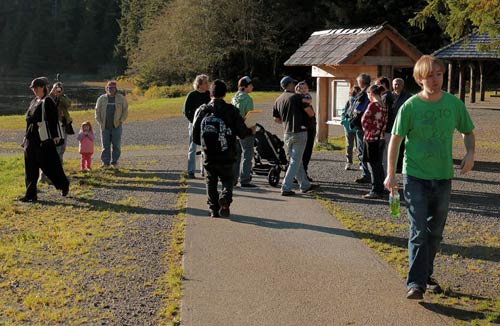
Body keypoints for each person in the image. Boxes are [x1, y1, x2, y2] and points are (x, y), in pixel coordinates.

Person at [384, 55, 475, 300]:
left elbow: (467, 130)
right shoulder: (410, 107)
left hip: (443, 177)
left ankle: (425, 274)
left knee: (435, 232)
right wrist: (391, 174)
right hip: (415, 176)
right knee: (418, 231)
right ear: (419, 78)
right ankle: (415, 284)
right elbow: (395, 140)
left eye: (439, 75)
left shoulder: (454, 104)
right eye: (429, 76)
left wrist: (470, 152)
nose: (435, 80)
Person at [192, 79, 255, 217]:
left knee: (211, 180)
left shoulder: (202, 110)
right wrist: (251, 130)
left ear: (210, 94)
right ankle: (225, 198)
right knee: (227, 179)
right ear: (225, 94)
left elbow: (195, 137)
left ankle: (213, 209)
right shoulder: (231, 110)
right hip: (227, 152)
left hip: (209, 153)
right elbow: (242, 132)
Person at [18, 77, 69, 202]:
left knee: (51, 166)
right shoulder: (34, 101)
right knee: (30, 168)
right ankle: (30, 194)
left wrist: (55, 136)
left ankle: (64, 185)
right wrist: (25, 137)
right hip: (31, 138)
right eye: (33, 88)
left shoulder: (48, 101)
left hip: (43, 139)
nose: (34, 90)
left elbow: (52, 120)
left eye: (36, 88)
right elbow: (28, 121)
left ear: (43, 87)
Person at [272, 76, 317, 196]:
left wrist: (287, 121)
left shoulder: (278, 99)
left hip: (287, 133)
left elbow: (276, 119)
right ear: (289, 85)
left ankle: (305, 185)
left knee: (297, 160)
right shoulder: (297, 97)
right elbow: (310, 112)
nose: (294, 84)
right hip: (300, 132)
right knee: (295, 162)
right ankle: (286, 187)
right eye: (293, 83)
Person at [361, 85, 387, 199]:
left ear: (371, 93)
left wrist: (367, 131)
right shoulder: (383, 105)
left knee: (372, 164)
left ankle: (375, 189)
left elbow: (364, 120)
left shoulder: (372, 105)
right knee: (379, 164)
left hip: (371, 138)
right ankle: (381, 187)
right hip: (381, 137)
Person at [95, 81, 128, 168]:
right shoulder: (101, 98)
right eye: (109, 88)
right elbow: (97, 111)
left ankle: (115, 162)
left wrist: (121, 120)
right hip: (104, 126)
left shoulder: (121, 98)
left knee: (116, 145)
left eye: (112, 88)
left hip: (116, 126)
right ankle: (105, 163)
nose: (110, 89)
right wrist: (100, 122)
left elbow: (125, 110)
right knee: (105, 146)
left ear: (115, 88)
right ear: (106, 88)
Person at [183, 74, 211, 178]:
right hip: (194, 125)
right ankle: (190, 171)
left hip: (207, 125)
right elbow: (186, 111)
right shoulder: (192, 95)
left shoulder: (209, 94)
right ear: (199, 84)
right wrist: (194, 121)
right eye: (205, 83)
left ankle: (204, 170)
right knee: (193, 148)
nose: (207, 84)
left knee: (205, 148)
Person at [231, 76, 256, 187]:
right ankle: (245, 179)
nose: (252, 87)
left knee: (236, 155)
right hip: (245, 130)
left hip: (235, 131)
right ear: (245, 87)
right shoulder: (248, 99)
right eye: (251, 85)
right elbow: (249, 116)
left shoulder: (233, 98)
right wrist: (252, 129)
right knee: (247, 154)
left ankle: (233, 179)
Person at [350, 73, 372, 184]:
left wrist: (353, 115)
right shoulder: (370, 91)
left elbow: (359, 109)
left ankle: (366, 174)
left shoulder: (364, 93)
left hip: (362, 126)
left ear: (361, 82)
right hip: (368, 126)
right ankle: (369, 173)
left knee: (362, 150)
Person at [388, 78, 412, 173]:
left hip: (403, 124)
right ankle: (393, 165)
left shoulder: (407, 96)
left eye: (399, 84)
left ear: (403, 85)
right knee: (393, 145)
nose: (397, 86)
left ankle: (400, 165)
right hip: (391, 123)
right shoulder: (390, 95)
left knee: (402, 146)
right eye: (395, 84)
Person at [295, 81, 316, 181]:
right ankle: (302, 175)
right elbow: (311, 113)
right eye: (301, 88)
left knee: (303, 153)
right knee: (305, 152)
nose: (303, 90)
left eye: (305, 88)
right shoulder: (301, 100)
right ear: (297, 89)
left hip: (308, 128)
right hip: (306, 129)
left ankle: (300, 174)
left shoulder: (304, 98)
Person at [50, 81, 72, 161]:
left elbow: (68, 104)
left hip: (63, 124)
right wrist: (52, 93)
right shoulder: (50, 97)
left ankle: (60, 162)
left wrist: (60, 96)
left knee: (63, 146)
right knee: (56, 145)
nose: (58, 89)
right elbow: (46, 103)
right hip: (54, 124)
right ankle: (55, 163)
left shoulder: (64, 97)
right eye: (56, 87)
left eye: (59, 88)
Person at [340, 86, 361, 170]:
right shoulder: (348, 102)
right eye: (354, 93)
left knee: (359, 146)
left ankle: (360, 162)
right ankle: (349, 162)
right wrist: (344, 122)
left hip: (357, 126)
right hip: (349, 126)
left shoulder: (361, 101)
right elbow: (343, 113)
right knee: (350, 145)